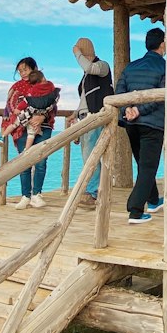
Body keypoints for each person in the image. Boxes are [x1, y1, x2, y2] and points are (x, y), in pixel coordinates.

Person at [115, 28, 166, 224]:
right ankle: (135, 210)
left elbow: (120, 93)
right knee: (148, 167)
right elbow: (162, 95)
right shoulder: (164, 67)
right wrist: (140, 110)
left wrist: (128, 110)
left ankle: (153, 201)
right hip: (152, 124)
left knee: (143, 165)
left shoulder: (130, 67)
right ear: (162, 44)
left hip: (131, 124)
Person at [3, 56, 59, 209]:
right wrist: (13, 123)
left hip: (44, 125)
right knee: (24, 161)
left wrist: (41, 117)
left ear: (34, 68)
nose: (22, 73)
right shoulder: (15, 88)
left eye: (25, 69)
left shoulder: (46, 85)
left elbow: (53, 104)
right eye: (20, 71)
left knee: (41, 160)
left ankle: (37, 194)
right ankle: (25, 196)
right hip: (21, 126)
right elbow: (9, 107)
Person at [72, 37, 114, 209]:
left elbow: (89, 67)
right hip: (84, 117)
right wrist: (74, 114)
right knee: (88, 156)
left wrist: (77, 54)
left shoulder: (102, 66)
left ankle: (93, 193)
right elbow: (85, 99)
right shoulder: (86, 75)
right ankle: (91, 190)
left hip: (95, 117)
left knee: (92, 156)